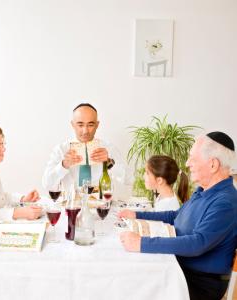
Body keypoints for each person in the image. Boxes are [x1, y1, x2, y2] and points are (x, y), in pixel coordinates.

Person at [118, 131, 237, 300]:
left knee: (132, 285)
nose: (187, 163)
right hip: (180, 268)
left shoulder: (225, 202)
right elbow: (175, 216)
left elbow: (197, 243)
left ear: (213, 165)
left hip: (198, 283)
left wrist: (141, 243)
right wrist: (136, 214)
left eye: (192, 158)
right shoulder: (203, 190)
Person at [42, 103, 124, 191]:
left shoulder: (108, 148)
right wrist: (63, 165)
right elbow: (47, 185)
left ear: (97, 125)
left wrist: (109, 163)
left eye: (90, 125)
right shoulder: (61, 150)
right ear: (73, 125)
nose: (85, 131)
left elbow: (129, 179)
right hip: (71, 203)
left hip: (101, 203)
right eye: (80, 125)